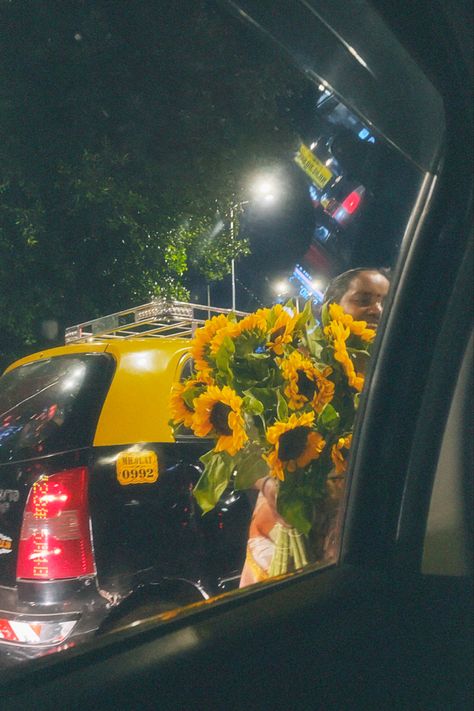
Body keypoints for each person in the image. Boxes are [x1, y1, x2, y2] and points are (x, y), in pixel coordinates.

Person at [239, 267, 391, 587]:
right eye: (363, 300)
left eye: (385, 301)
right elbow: (244, 441)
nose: (376, 309)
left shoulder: (396, 374)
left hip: (361, 538)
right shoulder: (300, 369)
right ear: (332, 309)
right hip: (284, 536)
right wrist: (270, 485)